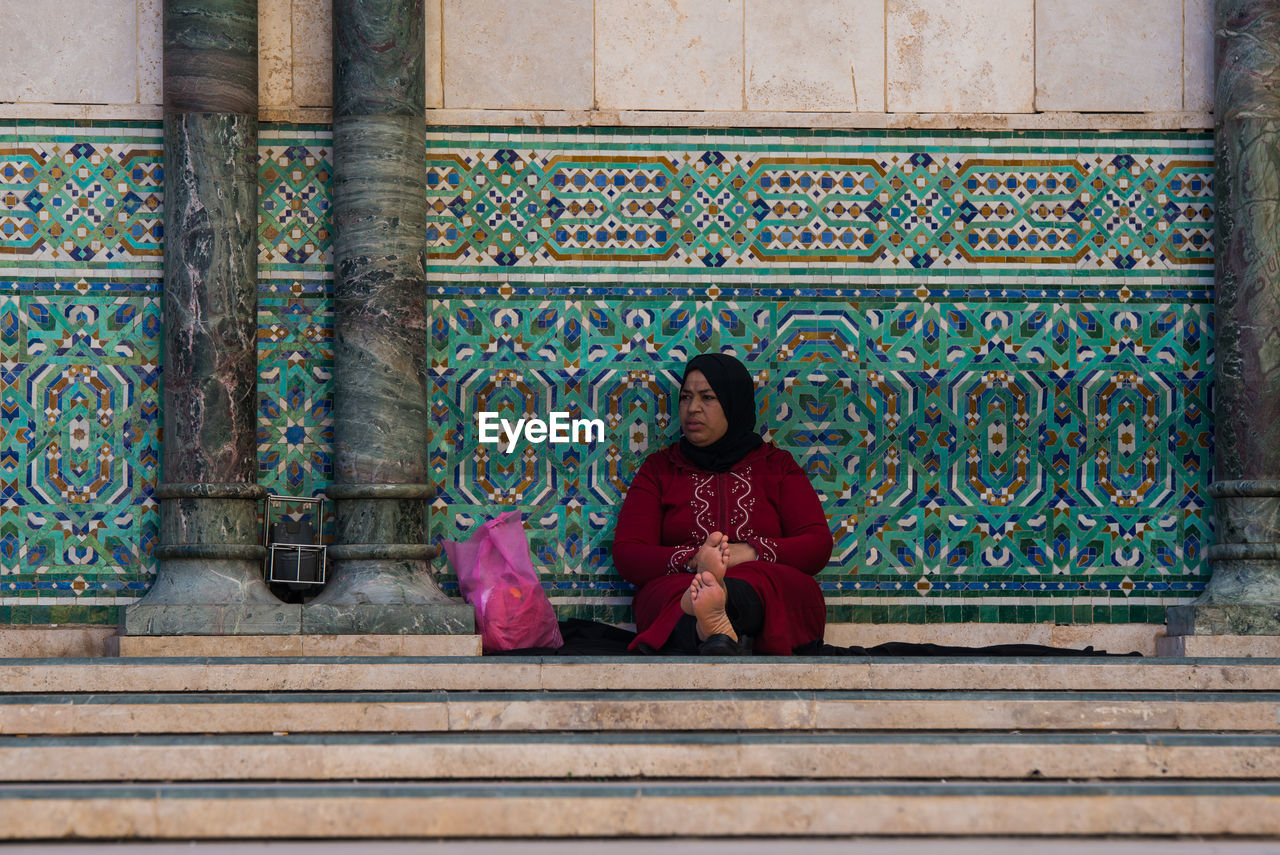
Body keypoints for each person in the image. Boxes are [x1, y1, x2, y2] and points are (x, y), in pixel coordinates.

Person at [611, 353, 834, 655]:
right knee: (677, 595)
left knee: (759, 585)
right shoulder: (660, 469)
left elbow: (817, 545)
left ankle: (712, 618)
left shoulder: (777, 465)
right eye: (686, 397)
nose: (693, 409)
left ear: (734, 403)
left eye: (708, 398)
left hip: (762, 580)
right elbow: (628, 553)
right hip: (681, 584)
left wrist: (751, 552)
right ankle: (712, 624)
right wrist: (695, 561)